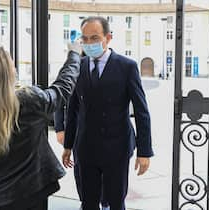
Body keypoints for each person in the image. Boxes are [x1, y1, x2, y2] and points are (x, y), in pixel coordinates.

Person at [0, 43, 81, 210]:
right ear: (7, 73)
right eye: (11, 64)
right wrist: (74, 55)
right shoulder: (30, 101)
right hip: (30, 196)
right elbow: (62, 88)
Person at [62, 16, 154, 210]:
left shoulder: (126, 66)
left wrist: (144, 151)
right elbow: (73, 109)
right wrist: (68, 145)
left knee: (115, 201)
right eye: (84, 39)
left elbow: (141, 111)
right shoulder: (79, 66)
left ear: (108, 38)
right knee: (88, 202)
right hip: (86, 148)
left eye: (94, 38)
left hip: (117, 148)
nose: (88, 43)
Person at [54, 99, 109, 210]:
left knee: (107, 169)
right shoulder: (75, 81)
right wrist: (59, 127)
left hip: (107, 130)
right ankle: (86, 202)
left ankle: (105, 203)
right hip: (79, 129)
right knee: (80, 169)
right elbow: (62, 95)